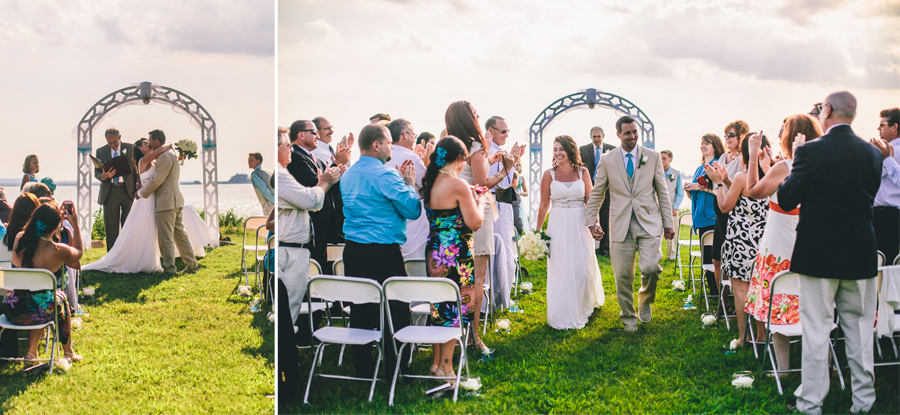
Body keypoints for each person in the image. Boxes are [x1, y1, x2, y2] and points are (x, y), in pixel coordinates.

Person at [779, 91, 882, 414]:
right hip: (860, 250)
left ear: (827, 110)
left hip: (818, 253)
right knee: (861, 330)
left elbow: (785, 199)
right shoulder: (872, 153)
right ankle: (864, 402)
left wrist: (796, 162)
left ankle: (811, 403)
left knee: (816, 329)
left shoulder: (809, 152)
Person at [340, 124, 421, 380]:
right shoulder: (387, 175)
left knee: (361, 306)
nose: (391, 148)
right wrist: (409, 184)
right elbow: (412, 210)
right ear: (376, 144)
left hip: (353, 250)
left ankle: (363, 367)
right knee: (396, 308)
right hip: (383, 252)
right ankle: (396, 367)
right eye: (388, 143)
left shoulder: (348, 175)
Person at [744, 114, 822, 373]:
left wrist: (754, 156)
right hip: (811, 242)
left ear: (790, 136)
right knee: (813, 307)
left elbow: (752, 190)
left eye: (782, 131)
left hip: (779, 244)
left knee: (779, 306)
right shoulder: (821, 165)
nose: (779, 136)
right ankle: (822, 366)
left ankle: (784, 370)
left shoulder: (786, 166)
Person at [585, 116, 674, 332]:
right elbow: (598, 191)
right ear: (618, 135)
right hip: (620, 223)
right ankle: (628, 317)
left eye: (635, 132)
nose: (632, 136)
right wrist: (591, 220)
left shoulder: (652, 157)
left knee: (652, 268)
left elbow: (662, 190)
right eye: (627, 133)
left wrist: (668, 223)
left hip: (649, 221)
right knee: (623, 275)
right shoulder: (607, 159)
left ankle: (645, 299)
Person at [445, 100, 519, 352]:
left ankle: (450, 336)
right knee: (477, 278)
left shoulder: (448, 142)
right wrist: (505, 169)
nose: (478, 117)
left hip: (450, 214)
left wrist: (488, 158)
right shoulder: (474, 144)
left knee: (454, 276)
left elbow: (460, 173)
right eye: (476, 114)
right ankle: (474, 338)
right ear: (468, 117)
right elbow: (480, 183)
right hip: (475, 212)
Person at [275, 128, 342, 397]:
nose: (290, 149)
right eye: (286, 146)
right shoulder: (280, 176)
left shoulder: (283, 175)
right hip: (290, 252)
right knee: (288, 316)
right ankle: (285, 381)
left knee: (286, 315)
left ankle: (286, 376)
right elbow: (311, 200)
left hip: (292, 249)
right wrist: (324, 181)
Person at [83, 138, 211, 274]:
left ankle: (161, 262)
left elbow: (164, 167)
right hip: (146, 198)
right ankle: (147, 261)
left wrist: (180, 156)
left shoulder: (155, 160)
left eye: (149, 141)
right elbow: (159, 159)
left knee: (157, 233)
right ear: (140, 148)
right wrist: (167, 145)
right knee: (148, 231)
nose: (149, 144)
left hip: (155, 198)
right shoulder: (144, 161)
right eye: (146, 143)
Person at [419, 135, 485, 381]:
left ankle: (436, 364)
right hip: (456, 254)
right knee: (453, 309)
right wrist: (479, 202)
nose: (464, 164)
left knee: (438, 307)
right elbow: (475, 223)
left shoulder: (431, 181)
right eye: (464, 159)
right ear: (458, 158)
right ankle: (447, 369)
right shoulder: (457, 184)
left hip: (435, 251)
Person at [706, 135, 770, 349]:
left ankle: (744, 338)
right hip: (764, 239)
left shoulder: (743, 177)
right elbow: (748, 195)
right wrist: (726, 180)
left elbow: (724, 206)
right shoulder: (772, 176)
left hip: (741, 240)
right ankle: (761, 335)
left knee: (742, 290)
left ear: (744, 154)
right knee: (760, 287)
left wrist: (717, 185)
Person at [535, 135, 605, 329]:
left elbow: (590, 201)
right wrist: (537, 232)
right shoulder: (549, 174)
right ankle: (562, 311)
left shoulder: (583, 172)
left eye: (561, 149)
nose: (557, 153)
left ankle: (583, 304)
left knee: (581, 265)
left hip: (580, 223)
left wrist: (594, 224)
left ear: (570, 150)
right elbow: (543, 204)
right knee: (561, 267)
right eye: (555, 149)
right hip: (557, 224)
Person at [4, 203, 83, 363]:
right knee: (57, 300)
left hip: (12, 309)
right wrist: (75, 226)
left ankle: (32, 353)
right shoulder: (58, 251)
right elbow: (79, 254)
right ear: (55, 227)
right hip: (39, 312)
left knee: (41, 300)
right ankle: (68, 352)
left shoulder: (20, 238)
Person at [286, 120, 352, 275]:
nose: (318, 136)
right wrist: (336, 164)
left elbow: (329, 183)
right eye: (314, 132)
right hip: (314, 226)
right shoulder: (296, 157)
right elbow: (315, 185)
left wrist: (339, 168)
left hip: (327, 226)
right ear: (301, 135)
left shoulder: (315, 158)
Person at [137, 130, 198, 275]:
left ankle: (170, 269)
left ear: (157, 142)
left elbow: (157, 180)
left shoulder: (164, 156)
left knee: (166, 238)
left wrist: (140, 193)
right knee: (181, 235)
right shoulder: (170, 154)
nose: (150, 143)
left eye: (150, 140)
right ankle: (192, 265)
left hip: (166, 201)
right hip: (175, 200)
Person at [711, 121, 748, 314]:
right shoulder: (723, 157)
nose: (727, 138)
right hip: (720, 210)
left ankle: (739, 304)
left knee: (732, 262)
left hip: (735, 213)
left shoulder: (744, 159)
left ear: (741, 137)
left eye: (731, 135)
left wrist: (722, 180)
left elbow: (743, 189)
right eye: (725, 135)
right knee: (716, 259)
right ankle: (723, 305)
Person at [485, 116, 523, 304]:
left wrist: (515, 161)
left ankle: (498, 296)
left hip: (499, 204)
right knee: (503, 253)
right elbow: (504, 183)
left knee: (500, 251)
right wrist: (511, 164)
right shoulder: (493, 154)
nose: (507, 135)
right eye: (503, 131)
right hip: (495, 205)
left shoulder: (499, 152)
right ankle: (500, 297)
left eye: (508, 131)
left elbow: (508, 182)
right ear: (491, 131)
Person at [386, 119, 428, 259]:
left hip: (388, 231)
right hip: (413, 231)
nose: (415, 139)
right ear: (405, 134)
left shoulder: (383, 158)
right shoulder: (412, 158)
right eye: (414, 135)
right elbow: (427, 187)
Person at [684, 134, 724, 270]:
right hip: (701, 218)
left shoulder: (717, 165)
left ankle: (715, 290)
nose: (703, 146)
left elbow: (721, 190)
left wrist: (701, 188)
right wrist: (689, 190)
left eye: (707, 143)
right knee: (706, 262)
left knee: (714, 261)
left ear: (715, 146)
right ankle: (710, 289)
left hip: (712, 217)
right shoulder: (699, 168)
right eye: (702, 143)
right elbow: (694, 197)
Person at [94, 127, 136, 251]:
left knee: (129, 224)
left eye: (115, 142)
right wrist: (103, 176)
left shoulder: (130, 148)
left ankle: (129, 254)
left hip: (128, 191)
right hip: (110, 191)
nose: (112, 145)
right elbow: (96, 172)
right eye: (109, 143)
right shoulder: (101, 151)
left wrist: (138, 188)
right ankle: (112, 256)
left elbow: (136, 170)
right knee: (111, 226)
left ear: (120, 137)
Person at [580, 126, 616, 256]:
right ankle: (588, 246)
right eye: (594, 136)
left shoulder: (612, 149)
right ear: (591, 137)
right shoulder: (583, 150)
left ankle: (604, 248)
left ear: (603, 136)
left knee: (605, 217)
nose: (596, 139)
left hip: (606, 187)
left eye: (598, 136)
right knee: (588, 214)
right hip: (589, 186)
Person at [871, 107, 900, 263]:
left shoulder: (890, 151)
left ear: (894, 127)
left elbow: (872, 173)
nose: (878, 129)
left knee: (882, 264)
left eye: (882, 125)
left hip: (885, 216)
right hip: (894, 214)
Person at [660, 150, 684, 260]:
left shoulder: (676, 174)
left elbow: (680, 193)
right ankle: (656, 254)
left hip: (671, 207)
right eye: (660, 158)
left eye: (664, 158)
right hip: (657, 207)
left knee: (672, 230)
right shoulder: (656, 173)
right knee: (656, 232)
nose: (662, 160)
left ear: (670, 159)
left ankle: (672, 253)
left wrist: (676, 207)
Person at [511, 161, 529, 235]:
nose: (518, 167)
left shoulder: (521, 178)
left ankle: (521, 234)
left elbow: (526, 192)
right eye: (516, 165)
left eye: (519, 165)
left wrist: (520, 193)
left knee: (520, 218)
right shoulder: (511, 176)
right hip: (512, 200)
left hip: (519, 202)